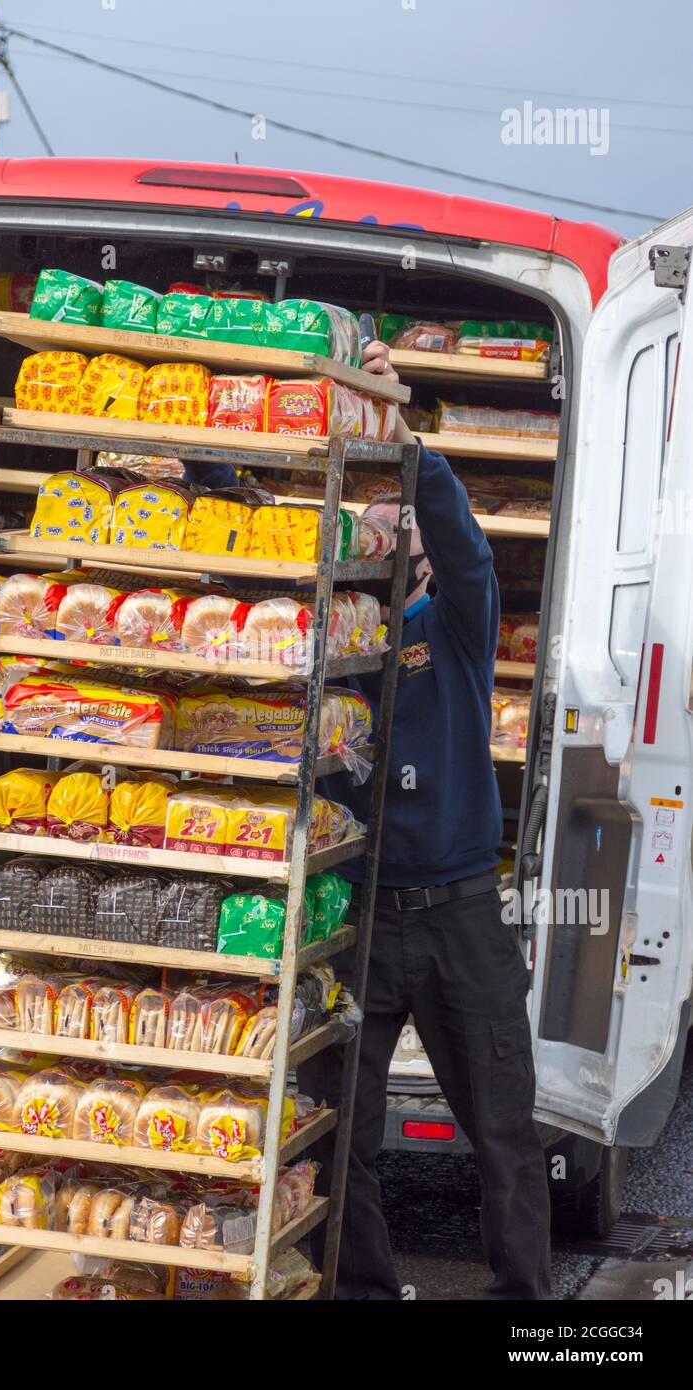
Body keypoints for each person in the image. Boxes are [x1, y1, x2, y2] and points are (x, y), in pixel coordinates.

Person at [299, 339, 551, 1301]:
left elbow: (467, 548)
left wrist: (405, 443)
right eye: (368, 530)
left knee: (503, 1132)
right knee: (340, 1126)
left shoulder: (455, 623)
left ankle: (525, 1304)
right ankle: (363, 1289)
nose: (384, 541)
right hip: (363, 922)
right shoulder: (335, 649)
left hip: (462, 917)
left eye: (396, 529)